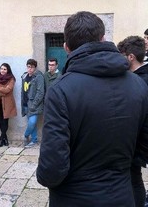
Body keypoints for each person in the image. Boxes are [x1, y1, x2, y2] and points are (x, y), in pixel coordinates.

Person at [36, 11, 148, 207]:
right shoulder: (138, 85)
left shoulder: (60, 91)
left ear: (66, 48)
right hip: (123, 194)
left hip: (73, 198)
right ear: (103, 39)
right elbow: (144, 147)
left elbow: (51, 170)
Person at [118, 35, 148, 207]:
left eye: (122, 55)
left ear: (130, 57)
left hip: (138, 140)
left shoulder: (139, 80)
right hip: (138, 139)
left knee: (134, 178)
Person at [0, 63, 17, 147]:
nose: (2, 70)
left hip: (7, 103)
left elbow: (8, 90)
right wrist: (2, 91)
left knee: (5, 121)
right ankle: (4, 138)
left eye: (4, 69)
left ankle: (1, 138)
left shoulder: (11, 79)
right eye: (1, 68)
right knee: (0, 120)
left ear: (8, 70)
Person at [21, 58, 45, 148]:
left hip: (34, 105)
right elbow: (23, 91)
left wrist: (34, 105)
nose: (30, 69)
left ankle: (26, 135)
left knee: (32, 122)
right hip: (25, 104)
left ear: (35, 67)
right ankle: (34, 140)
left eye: (32, 67)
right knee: (33, 124)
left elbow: (40, 92)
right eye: (28, 67)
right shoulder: (24, 76)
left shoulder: (39, 77)